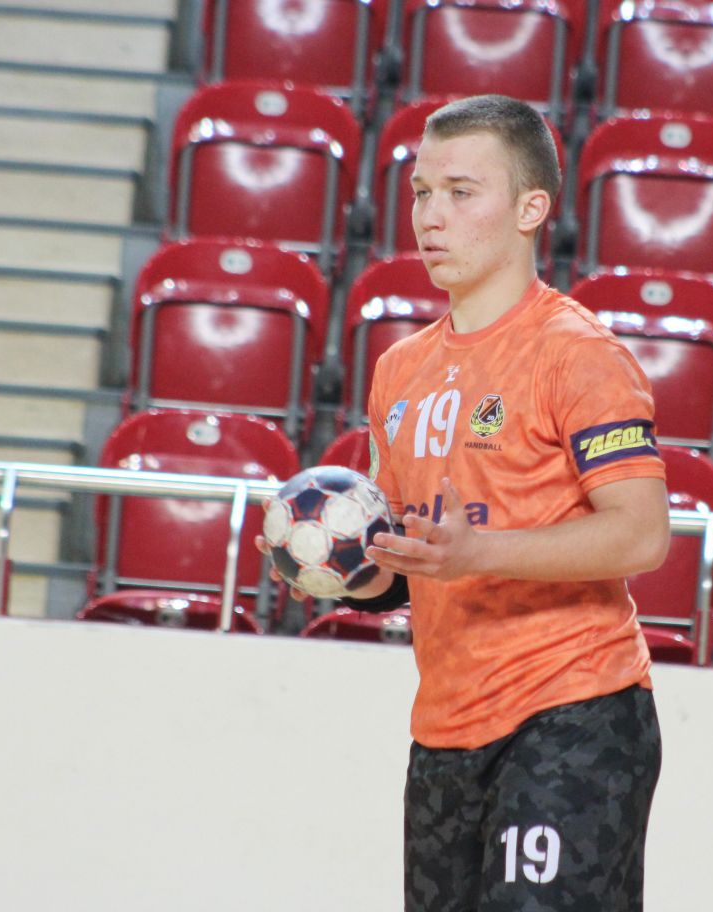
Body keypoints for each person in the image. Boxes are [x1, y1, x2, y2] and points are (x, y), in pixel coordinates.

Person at [268, 94, 670, 911]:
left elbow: (641, 535)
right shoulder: (400, 370)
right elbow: (412, 563)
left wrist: (480, 552)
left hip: (574, 710)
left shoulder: (578, 354)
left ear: (530, 209)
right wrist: (339, 567)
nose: (430, 215)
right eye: (421, 191)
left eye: (460, 192)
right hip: (445, 728)